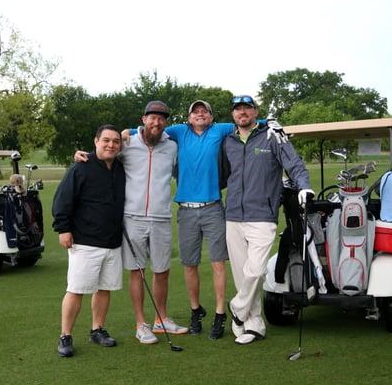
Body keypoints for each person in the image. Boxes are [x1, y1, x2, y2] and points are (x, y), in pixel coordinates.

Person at [122, 100, 286, 339]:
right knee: (190, 264)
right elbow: (152, 127)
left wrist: (267, 121)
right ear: (188, 117)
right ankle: (195, 309)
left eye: (205, 111)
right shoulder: (178, 131)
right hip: (186, 211)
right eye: (195, 112)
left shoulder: (219, 130)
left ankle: (220, 313)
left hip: (213, 208)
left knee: (218, 263)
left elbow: (245, 121)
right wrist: (129, 131)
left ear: (211, 116)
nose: (200, 114)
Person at [75, 101, 188, 345]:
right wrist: (81, 154)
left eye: (161, 118)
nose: (156, 122)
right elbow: (104, 150)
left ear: (165, 122)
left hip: (161, 218)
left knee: (162, 271)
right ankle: (140, 324)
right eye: (152, 118)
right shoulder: (127, 142)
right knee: (137, 273)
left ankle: (161, 319)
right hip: (132, 219)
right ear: (143, 119)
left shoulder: (172, 146)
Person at [222, 95, 313, 345]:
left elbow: (294, 165)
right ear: (233, 114)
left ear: (255, 112)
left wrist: (304, 186)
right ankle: (254, 324)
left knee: (257, 270)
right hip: (233, 216)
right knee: (242, 274)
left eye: (247, 108)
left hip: (262, 214)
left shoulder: (272, 135)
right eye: (238, 109)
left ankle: (237, 308)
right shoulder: (228, 141)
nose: (243, 112)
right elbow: (223, 175)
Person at [52, 124, 126, 357]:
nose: (111, 145)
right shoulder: (80, 168)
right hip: (85, 242)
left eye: (115, 141)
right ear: (96, 141)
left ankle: (97, 329)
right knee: (76, 290)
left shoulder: (120, 168)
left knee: (104, 289)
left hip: (112, 243)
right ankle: (65, 336)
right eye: (106, 140)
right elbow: (62, 200)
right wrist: (63, 229)